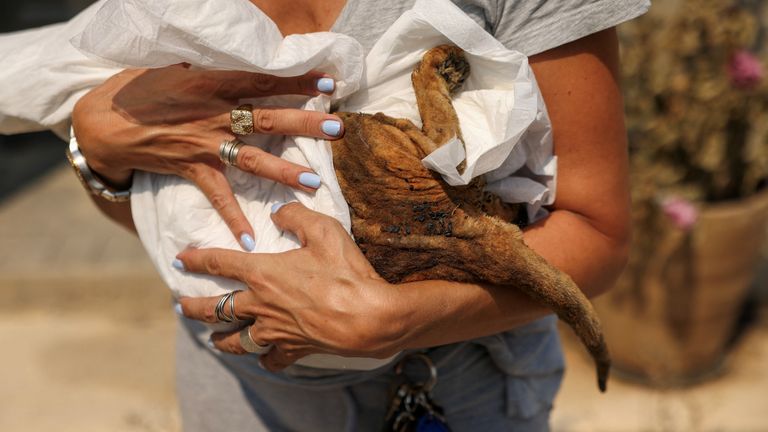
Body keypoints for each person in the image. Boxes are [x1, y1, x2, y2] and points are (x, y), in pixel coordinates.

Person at [64, 0, 648, 430]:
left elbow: (598, 233)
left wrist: (402, 318)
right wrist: (98, 155)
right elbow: (158, 224)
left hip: (453, 382)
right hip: (236, 383)